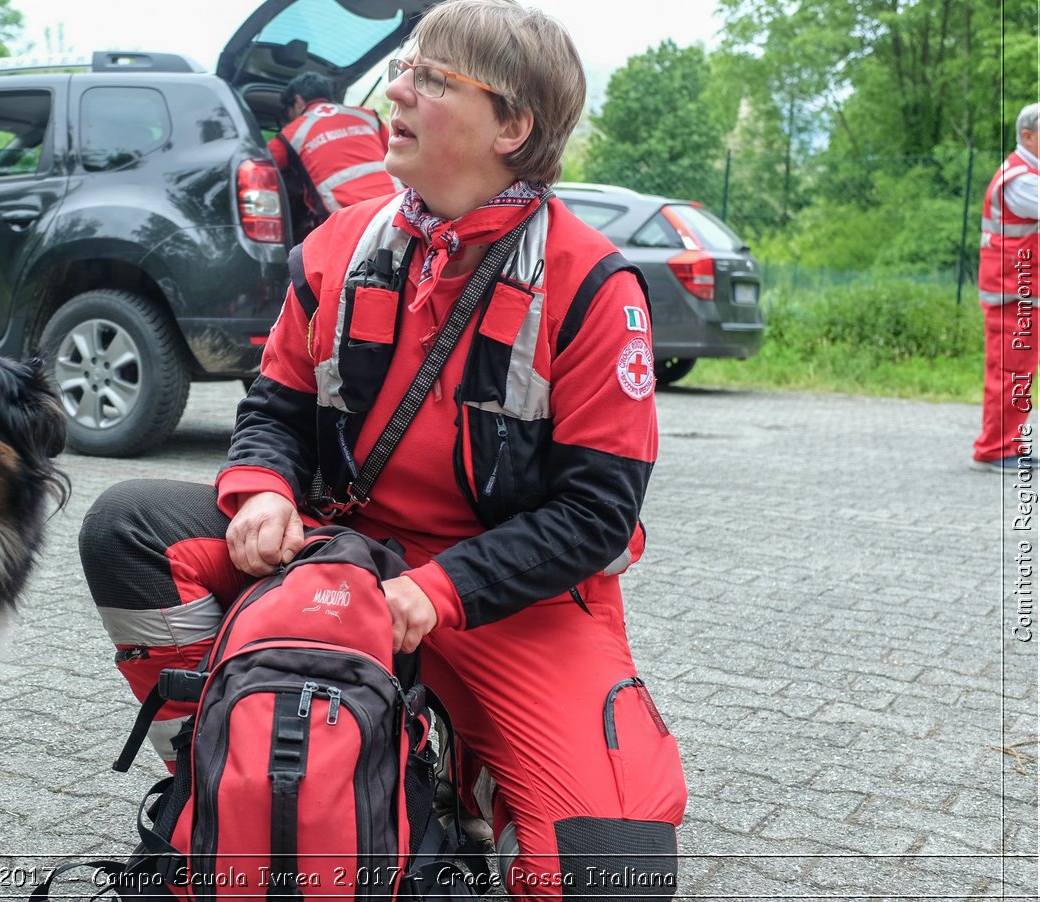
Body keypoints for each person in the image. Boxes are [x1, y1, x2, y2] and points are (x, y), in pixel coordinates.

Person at [79, 1, 687, 898]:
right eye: (402, 67)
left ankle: (455, 773)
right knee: (130, 528)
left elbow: (596, 515)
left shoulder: (593, 287)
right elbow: (275, 409)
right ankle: (231, 767)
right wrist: (263, 495)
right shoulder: (338, 248)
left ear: (513, 127)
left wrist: (436, 595)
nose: (393, 91)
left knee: (607, 877)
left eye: (432, 79)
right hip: (340, 562)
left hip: (509, 601)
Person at [974, 102, 1040, 473]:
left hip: (1021, 291)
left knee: (1019, 372)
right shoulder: (1021, 180)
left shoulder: (1029, 174)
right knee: (1010, 371)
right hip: (1011, 293)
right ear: (1027, 136)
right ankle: (995, 449)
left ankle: (1010, 444)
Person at [269, 71, 401, 240]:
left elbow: (261, 165)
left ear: (298, 101)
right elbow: (397, 155)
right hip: (396, 208)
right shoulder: (367, 116)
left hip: (347, 223)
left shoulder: (291, 133)